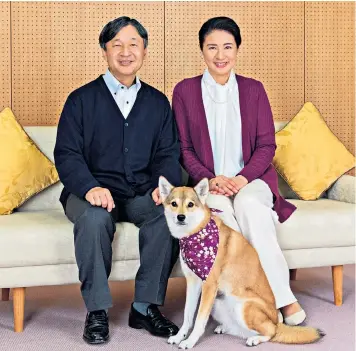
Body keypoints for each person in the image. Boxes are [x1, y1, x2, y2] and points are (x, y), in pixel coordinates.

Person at [54, 16, 181, 345]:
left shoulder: (157, 103)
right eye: (117, 45)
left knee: (167, 220)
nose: (126, 52)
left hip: (140, 193)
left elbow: (168, 153)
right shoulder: (80, 100)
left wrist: (160, 186)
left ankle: (145, 307)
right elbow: (67, 154)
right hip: (89, 192)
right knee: (95, 220)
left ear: (144, 51)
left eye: (133, 45)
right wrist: (90, 187)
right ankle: (97, 311)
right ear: (104, 51)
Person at [172, 16, 306, 326]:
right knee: (221, 223)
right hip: (209, 186)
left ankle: (282, 299)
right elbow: (184, 149)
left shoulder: (254, 90)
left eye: (227, 47)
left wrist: (243, 178)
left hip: (252, 180)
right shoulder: (185, 91)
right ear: (202, 51)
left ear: (237, 50)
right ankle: (243, 298)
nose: (220, 55)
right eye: (212, 47)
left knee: (249, 207)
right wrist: (210, 179)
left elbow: (266, 146)